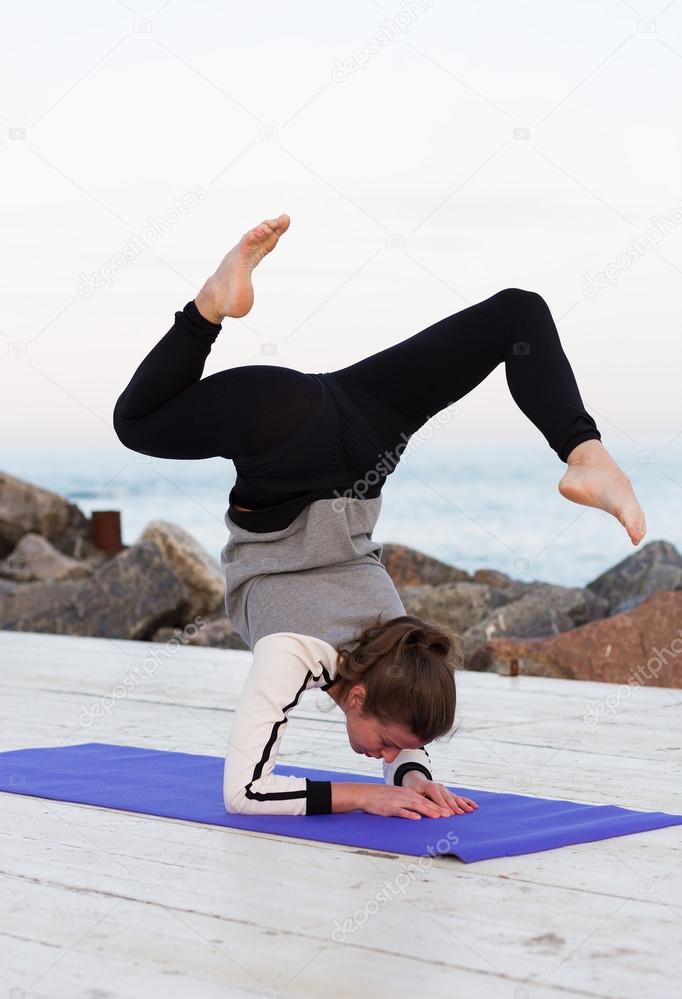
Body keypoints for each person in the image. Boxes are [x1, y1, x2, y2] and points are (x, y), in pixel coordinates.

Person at [112, 214, 647, 820]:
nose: (384, 755)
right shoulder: (292, 653)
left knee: (517, 315)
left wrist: (413, 771)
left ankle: (587, 452)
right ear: (358, 693)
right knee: (135, 424)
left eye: (392, 750)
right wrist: (373, 796)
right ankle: (209, 305)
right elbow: (246, 793)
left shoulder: (398, 634)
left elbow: (389, 707)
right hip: (283, 448)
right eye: (392, 745)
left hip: (355, 425)